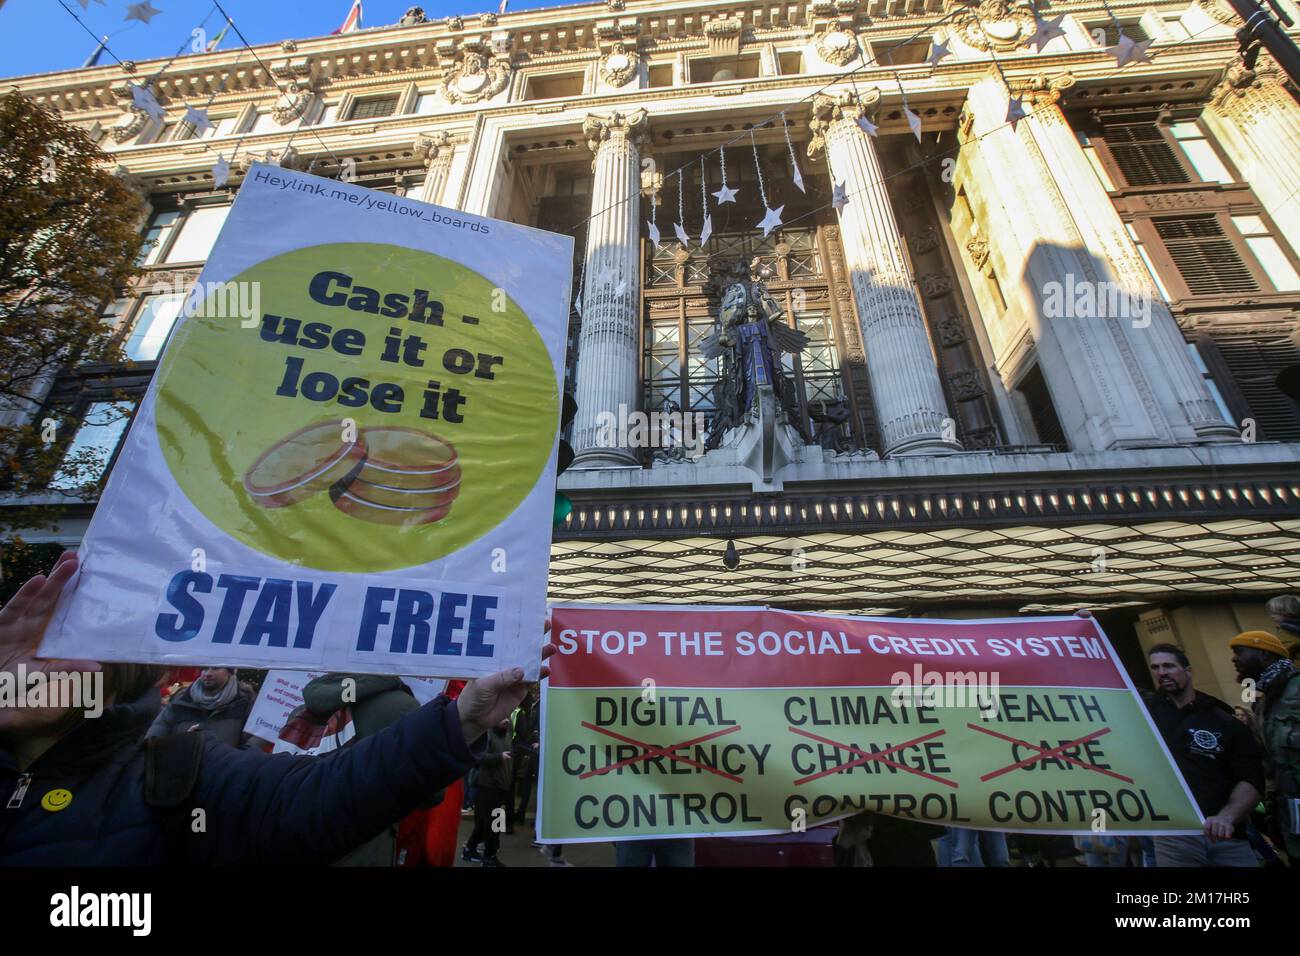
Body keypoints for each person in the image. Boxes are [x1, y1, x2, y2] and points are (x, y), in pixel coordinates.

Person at [0, 553, 552, 866]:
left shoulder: (179, 776)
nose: (39, 672)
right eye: (30, 655)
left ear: (120, 682)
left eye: (67, 650)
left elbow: (324, 793)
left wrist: (462, 720)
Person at [299, 673, 445, 866]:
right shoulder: (403, 706)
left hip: (297, 837)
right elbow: (431, 794)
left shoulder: (303, 708)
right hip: (363, 847)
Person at [1141, 642, 1263, 866]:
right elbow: (1103, 680)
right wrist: (1085, 627)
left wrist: (1227, 817)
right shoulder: (1145, 712)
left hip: (1227, 835)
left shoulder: (1223, 718)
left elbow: (1251, 777)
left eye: (1168, 666)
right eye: (1155, 668)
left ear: (1188, 670)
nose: (1162, 673)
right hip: (1174, 836)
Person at [1230, 629, 1300, 862]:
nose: (1234, 659)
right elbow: (1268, 766)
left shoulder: (1297, 688)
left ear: (1265, 655)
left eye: (1240, 652)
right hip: (1289, 818)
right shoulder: (1263, 704)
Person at [145, 666, 253, 747]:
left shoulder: (244, 702)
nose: (208, 673)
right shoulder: (181, 699)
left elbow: (252, 744)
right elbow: (155, 736)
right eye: (204, 668)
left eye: (215, 668)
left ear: (230, 672)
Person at [462, 716, 513, 867]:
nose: (506, 721)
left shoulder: (508, 734)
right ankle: (489, 856)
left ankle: (470, 849)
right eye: (502, 718)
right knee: (493, 823)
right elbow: (479, 757)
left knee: (488, 822)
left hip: (502, 786)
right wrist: (499, 757)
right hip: (489, 786)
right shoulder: (488, 734)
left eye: (508, 718)